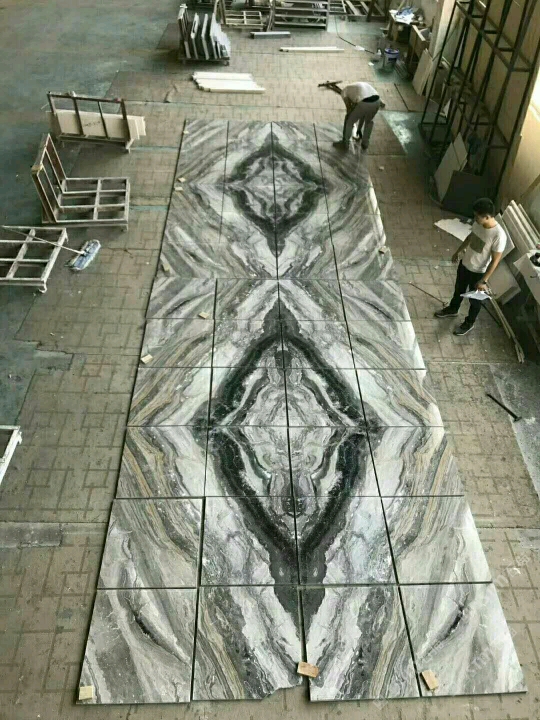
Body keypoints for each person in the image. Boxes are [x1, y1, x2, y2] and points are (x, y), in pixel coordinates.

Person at [434, 197, 507, 336]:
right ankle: (453, 309)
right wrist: (458, 251)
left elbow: (495, 261)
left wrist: (483, 281)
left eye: (477, 216)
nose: (475, 219)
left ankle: (469, 323)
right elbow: (470, 237)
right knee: (458, 290)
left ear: (487, 217)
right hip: (465, 265)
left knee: (475, 301)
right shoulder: (478, 224)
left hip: (478, 273)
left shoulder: (499, 236)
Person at [333, 82, 384, 151]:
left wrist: (349, 116)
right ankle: (365, 143)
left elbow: (349, 108)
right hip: (377, 101)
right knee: (369, 122)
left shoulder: (344, 93)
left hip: (365, 103)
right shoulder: (357, 88)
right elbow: (362, 114)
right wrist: (359, 129)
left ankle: (345, 143)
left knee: (349, 122)